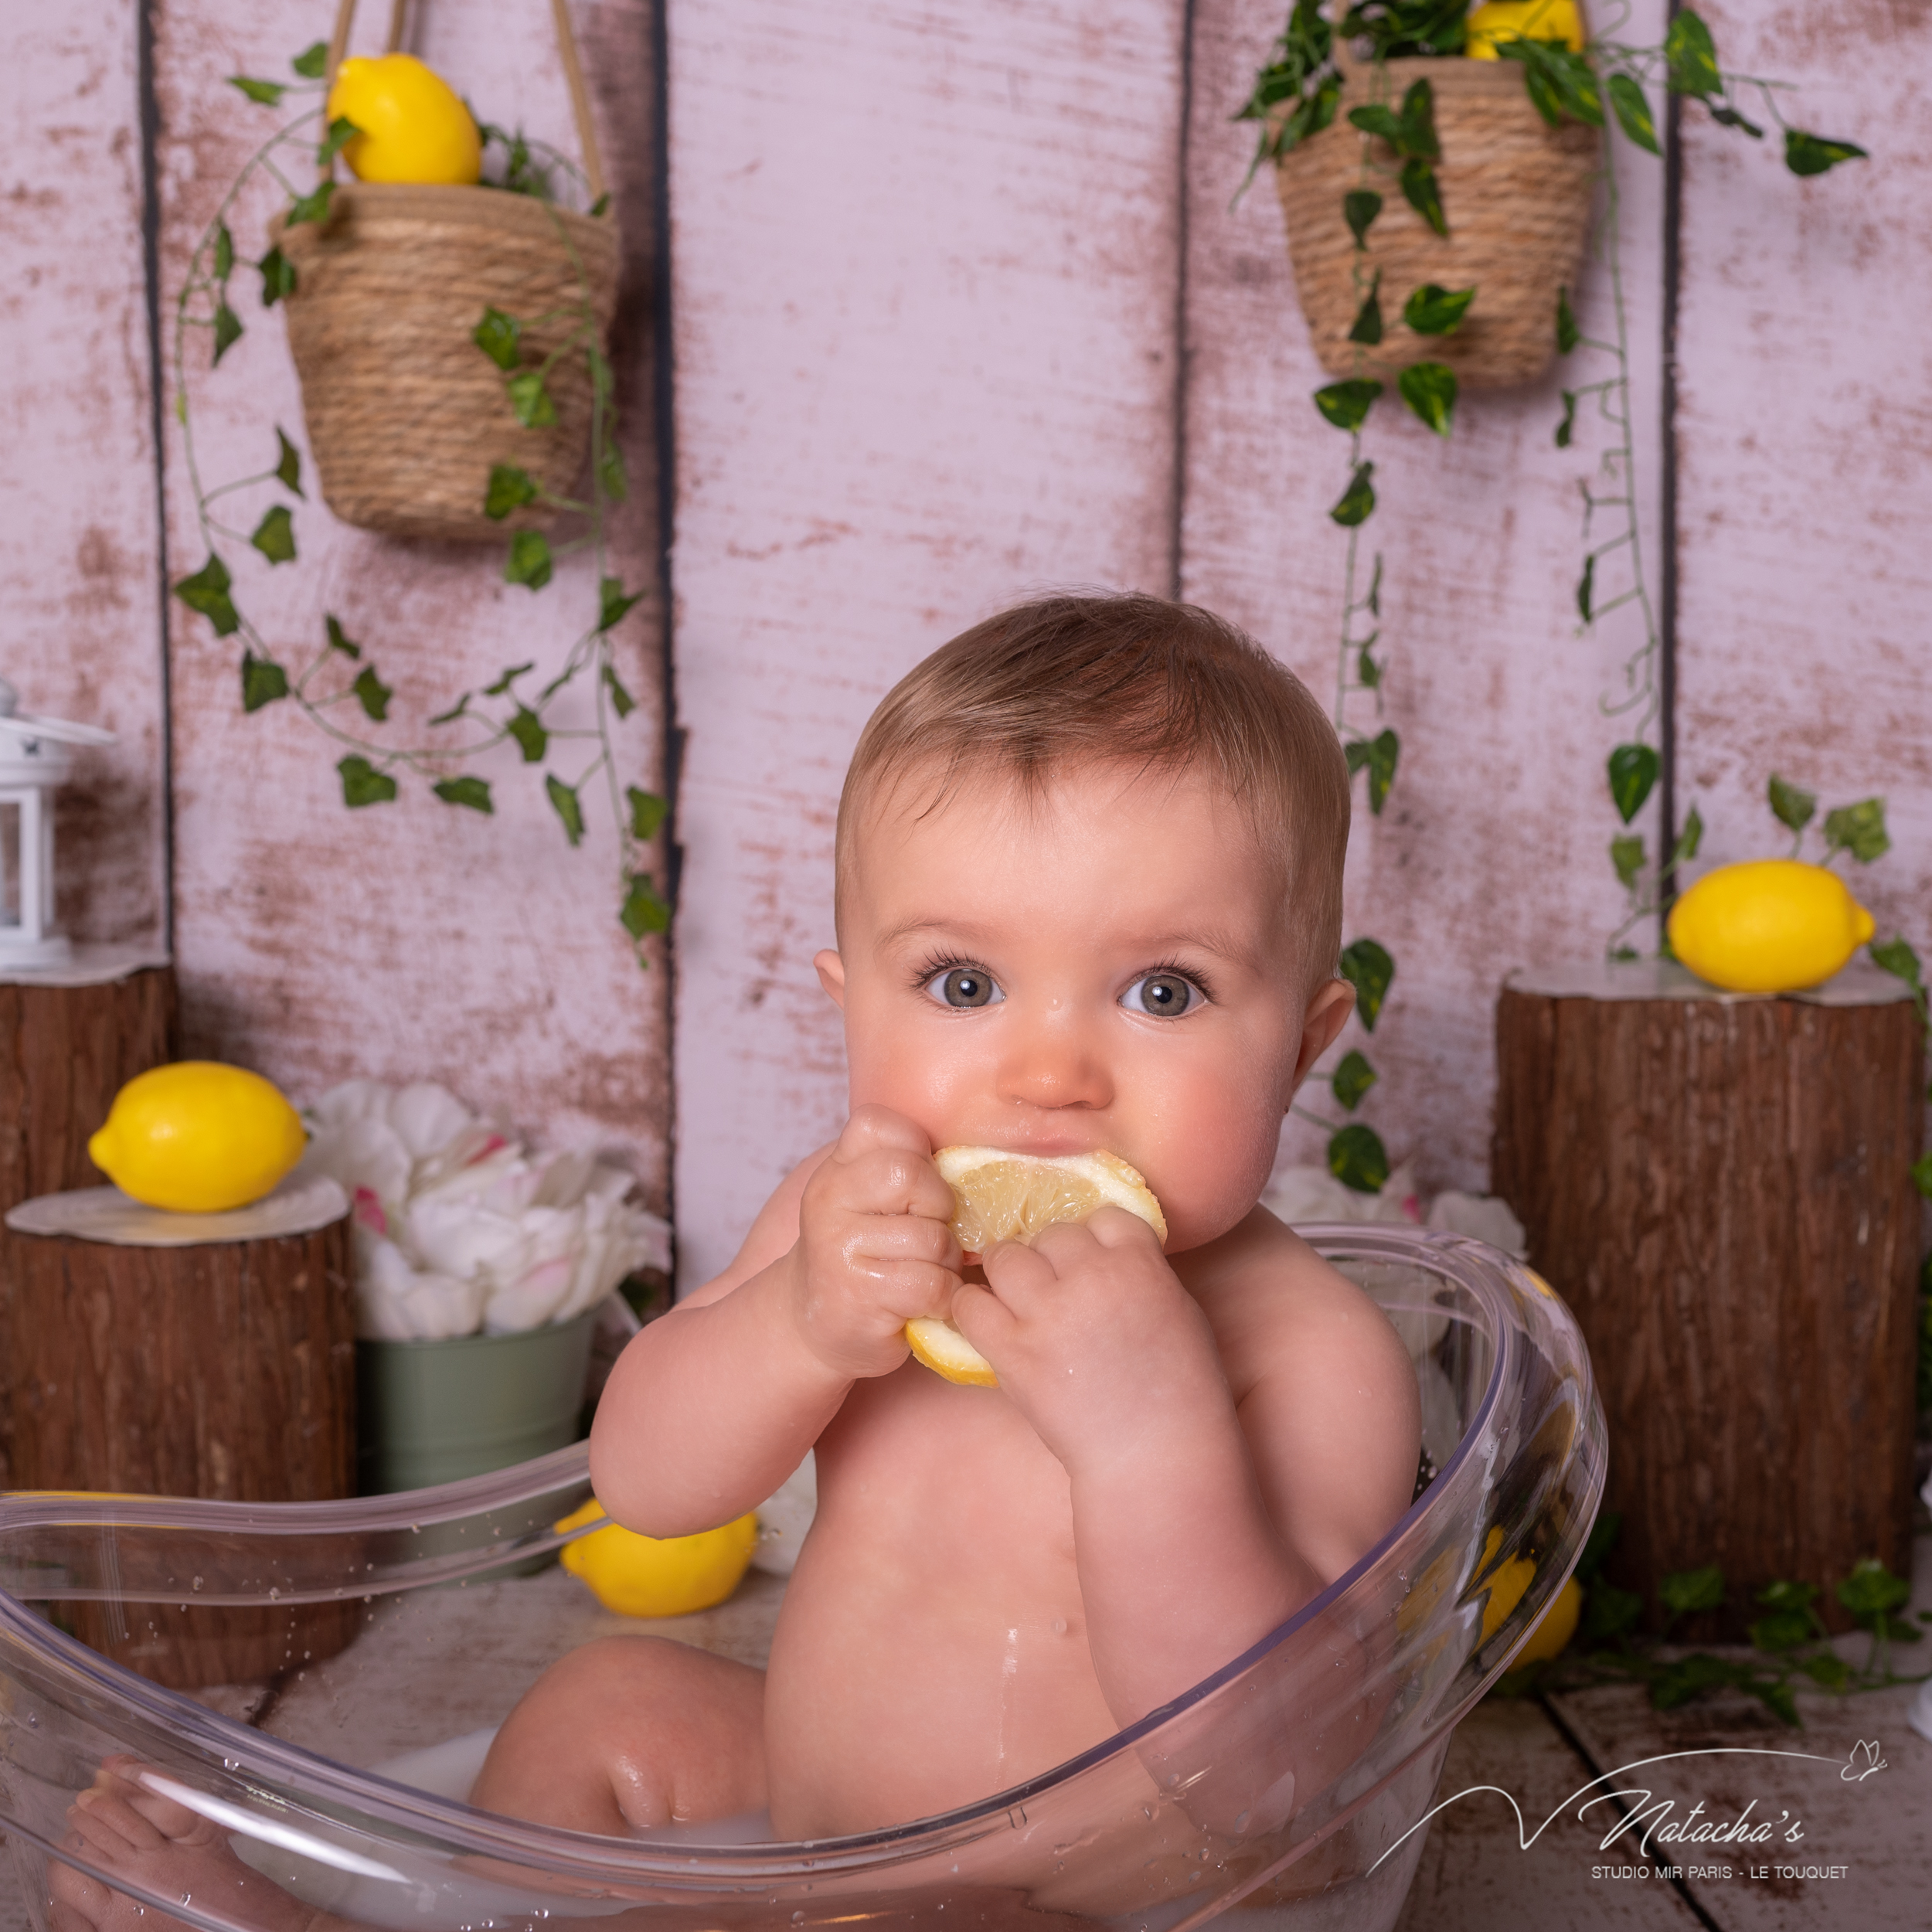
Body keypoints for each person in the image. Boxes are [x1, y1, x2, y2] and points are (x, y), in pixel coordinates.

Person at [48, 593, 1420, 1930]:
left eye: (1162, 992)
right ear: (851, 1003)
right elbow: (645, 1485)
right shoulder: (845, 1222)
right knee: (611, 1708)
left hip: (1106, 1898)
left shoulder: (1315, 1352)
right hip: (828, 1829)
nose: (1048, 1073)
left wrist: (1150, 1439)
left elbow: (1271, 1785)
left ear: (1301, 1045)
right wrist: (799, 1327)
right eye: (960, 984)